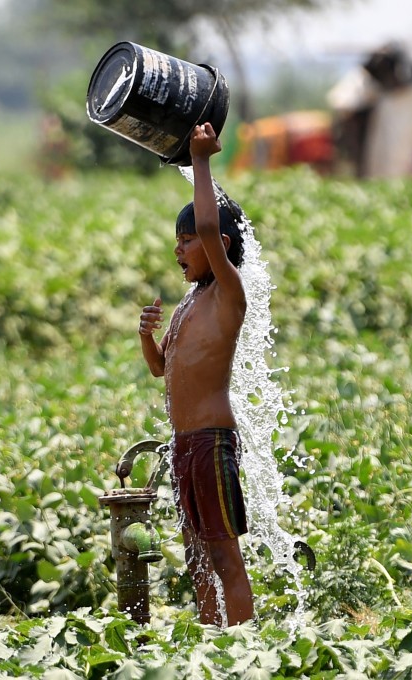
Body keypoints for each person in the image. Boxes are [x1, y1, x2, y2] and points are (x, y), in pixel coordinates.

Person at [137, 122, 253, 627]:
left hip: (211, 442)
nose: (180, 251)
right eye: (178, 242)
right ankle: (210, 647)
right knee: (197, 560)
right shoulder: (189, 305)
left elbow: (210, 227)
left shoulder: (229, 294)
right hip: (184, 446)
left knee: (224, 557)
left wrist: (200, 161)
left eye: (187, 241)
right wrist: (146, 337)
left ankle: (247, 647)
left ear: (219, 244)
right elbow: (162, 368)